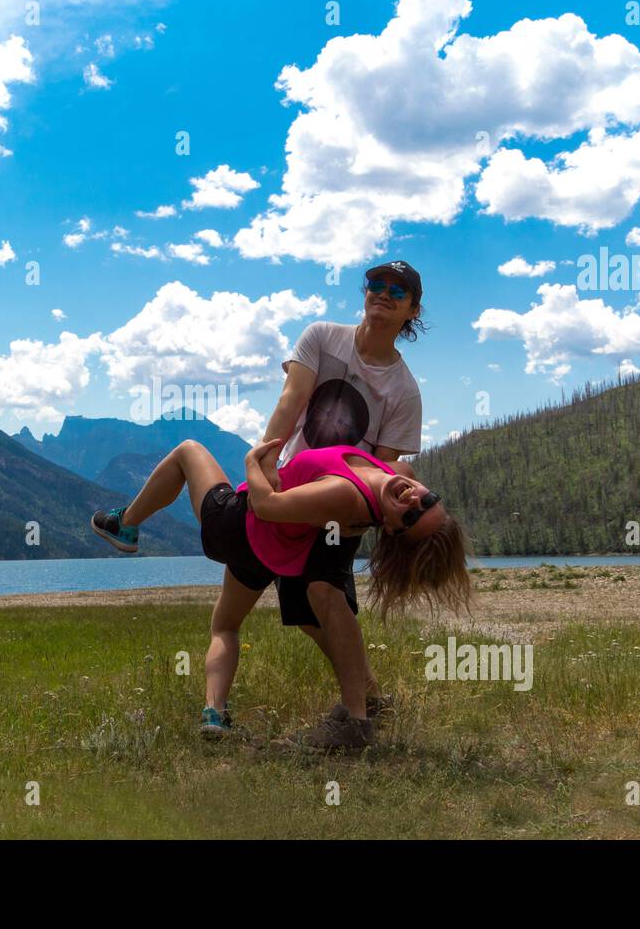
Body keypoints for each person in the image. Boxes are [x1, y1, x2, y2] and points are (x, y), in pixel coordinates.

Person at [90, 437, 471, 750]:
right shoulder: (395, 477)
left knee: (188, 451)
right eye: (429, 501)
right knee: (225, 625)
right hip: (274, 555)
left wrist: (253, 462)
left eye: (411, 516)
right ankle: (213, 715)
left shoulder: (347, 496)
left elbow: (266, 505)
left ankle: (125, 523)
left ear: (390, 529)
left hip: (236, 526)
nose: (414, 500)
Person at [261, 260, 427, 739]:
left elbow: (382, 464)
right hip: (292, 485)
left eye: (399, 291)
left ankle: (356, 719)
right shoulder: (321, 338)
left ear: (412, 311)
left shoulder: (404, 391)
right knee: (298, 604)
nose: (384, 293)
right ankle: (370, 690)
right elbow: (291, 402)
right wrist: (267, 463)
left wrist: (360, 514)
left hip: (342, 502)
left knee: (324, 592)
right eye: (377, 284)